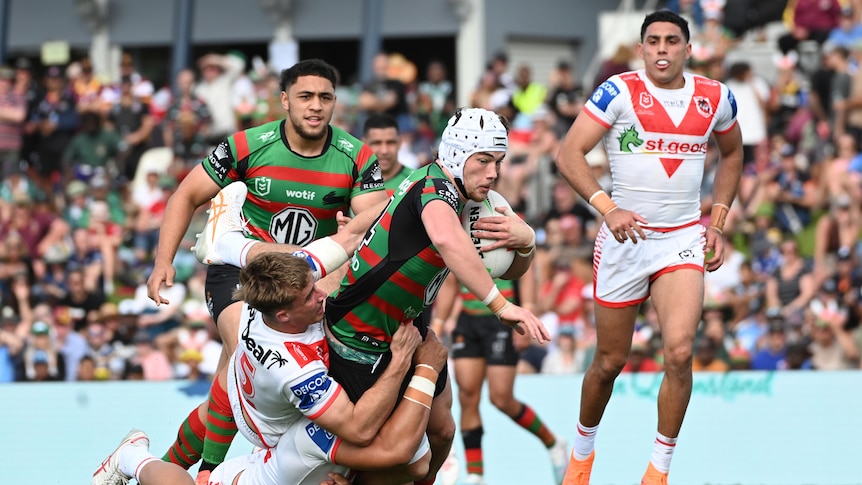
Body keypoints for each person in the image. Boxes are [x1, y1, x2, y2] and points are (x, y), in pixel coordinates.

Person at [146, 58, 389, 481]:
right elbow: (186, 194)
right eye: (305, 96)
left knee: (231, 385)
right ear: (284, 100)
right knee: (247, 355)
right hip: (244, 278)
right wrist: (162, 261)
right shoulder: (247, 145)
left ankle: (165, 469)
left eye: (325, 98)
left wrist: (360, 225)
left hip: (309, 284)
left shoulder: (355, 156)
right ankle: (207, 472)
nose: (315, 106)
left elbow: (374, 217)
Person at [555, 11, 743, 484]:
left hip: (681, 239)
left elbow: (734, 152)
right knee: (609, 362)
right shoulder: (617, 91)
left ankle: (657, 472)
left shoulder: (715, 97)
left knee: (679, 354)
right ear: (641, 49)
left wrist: (716, 222)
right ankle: (581, 454)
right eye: (653, 41)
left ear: (688, 49)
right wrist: (606, 208)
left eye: (672, 41)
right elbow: (568, 154)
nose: (662, 49)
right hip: (624, 240)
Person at [324, 107, 551, 485]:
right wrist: (502, 306)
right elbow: (447, 240)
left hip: (406, 331)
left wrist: (525, 243)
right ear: (458, 155)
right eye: (483, 160)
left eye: (499, 161)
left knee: (443, 432)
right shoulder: (434, 188)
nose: (493, 172)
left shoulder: (472, 199)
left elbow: (507, 268)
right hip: (360, 334)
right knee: (398, 460)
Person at [94, 251, 450, 485]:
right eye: (310, 295)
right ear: (283, 314)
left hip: (251, 401)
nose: (320, 296)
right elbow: (403, 456)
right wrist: (417, 367)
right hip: (252, 414)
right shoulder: (298, 379)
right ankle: (131, 455)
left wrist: (354, 235)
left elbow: (340, 253)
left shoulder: (271, 300)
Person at [434, 268, 569, 485]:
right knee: (467, 395)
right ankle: (475, 475)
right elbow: (451, 278)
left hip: (503, 318)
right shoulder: (460, 233)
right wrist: (439, 324)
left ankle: (553, 443)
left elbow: (525, 271)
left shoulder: (503, 233)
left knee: (501, 398)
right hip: (468, 321)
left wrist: (527, 312)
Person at [362, 113, 413, 195]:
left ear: (400, 143)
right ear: (364, 144)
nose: (384, 151)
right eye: (377, 143)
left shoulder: (415, 182)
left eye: (390, 142)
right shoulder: (352, 182)